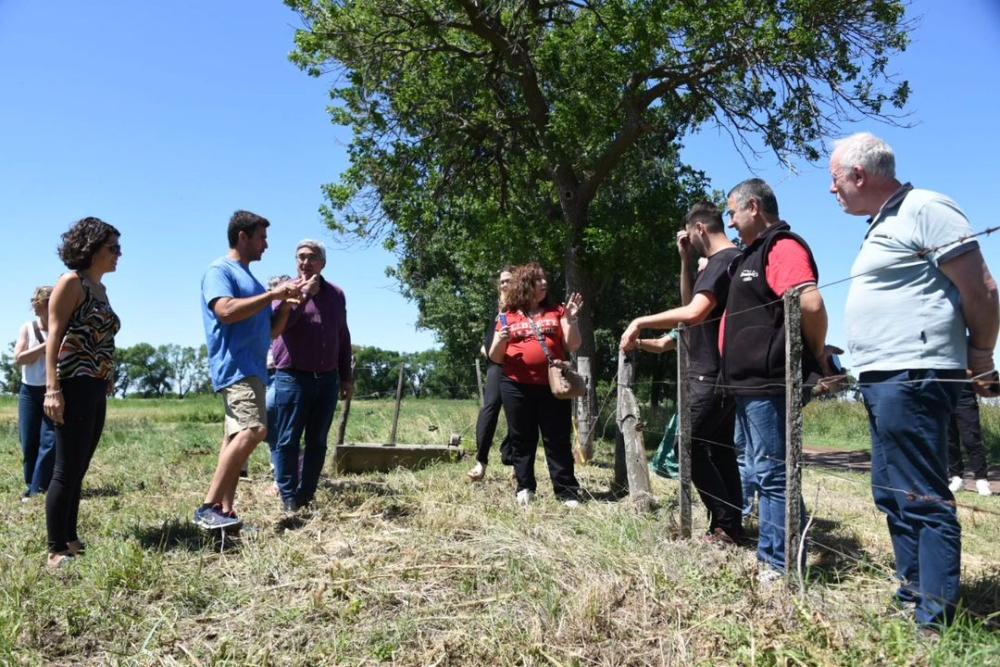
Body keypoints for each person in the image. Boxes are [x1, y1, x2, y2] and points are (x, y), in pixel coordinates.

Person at [831, 132, 999, 627]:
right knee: (891, 491)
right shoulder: (882, 223)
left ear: (859, 175)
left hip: (917, 372)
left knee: (922, 495)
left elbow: (982, 288)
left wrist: (980, 353)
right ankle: (912, 595)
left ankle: (935, 618)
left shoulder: (926, 207)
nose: (832, 190)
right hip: (886, 377)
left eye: (834, 179)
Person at [721, 178, 838, 579]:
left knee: (773, 472)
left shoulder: (781, 247)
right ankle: (774, 554)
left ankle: (781, 563)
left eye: (732, 212)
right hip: (747, 384)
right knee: (760, 467)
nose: (731, 223)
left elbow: (811, 301)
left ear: (753, 207)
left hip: (770, 382)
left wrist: (816, 354)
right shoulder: (748, 255)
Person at [621, 202, 743, 543]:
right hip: (720, 372)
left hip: (710, 372)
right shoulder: (727, 263)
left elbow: (692, 313)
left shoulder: (722, 262)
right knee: (719, 450)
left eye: (690, 234)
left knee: (686, 445)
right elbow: (691, 304)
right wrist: (685, 261)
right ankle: (731, 525)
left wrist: (639, 321)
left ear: (700, 229)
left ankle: (725, 522)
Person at [195, 210, 303, 531]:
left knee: (234, 439)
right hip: (237, 368)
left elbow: (269, 332)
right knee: (255, 431)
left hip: (253, 368)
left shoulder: (251, 279)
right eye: (262, 237)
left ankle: (225, 513)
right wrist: (271, 294)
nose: (266, 245)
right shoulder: (220, 270)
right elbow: (225, 311)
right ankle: (207, 507)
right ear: (243, 236)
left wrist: (283, 305)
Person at [42, 218, 121, 568]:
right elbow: (54, 338)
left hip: (95, 384)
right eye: (112, 248)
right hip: (72, 383)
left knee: (80, 466)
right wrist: (52, 389)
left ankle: (71, 538)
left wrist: (108, 374)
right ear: (91, 249)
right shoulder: (71, 282)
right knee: (65, 468)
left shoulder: (100, 289)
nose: (119, 255)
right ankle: (55, 549)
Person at [489, 263, 583, 506]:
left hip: (552, 385)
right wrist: (500, 339)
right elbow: (495, 357)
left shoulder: (557, 311)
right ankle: (525, 487)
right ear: (524, 285)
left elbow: (573, 345)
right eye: (536, 280)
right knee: (522, 438)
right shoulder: (507, 315)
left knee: (557, 438)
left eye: (544, 279)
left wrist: (571, 320)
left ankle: (566, 492)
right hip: (515, 385)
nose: (543, 283)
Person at [269, 240, 353, 512]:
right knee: (288, 439)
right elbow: (279, 326)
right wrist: (302, 295)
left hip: (326, 380)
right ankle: (289, 498)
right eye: (300, 258)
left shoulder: (336, 294)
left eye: (312, 257)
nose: (305, 263)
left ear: (323, 263)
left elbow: (342, 335)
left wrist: (346, 376)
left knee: (317, 441)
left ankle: (307, 494)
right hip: (292, 377)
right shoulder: (286, 291)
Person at [468, 267, 515, 481]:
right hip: (496, 364)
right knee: (489, 408)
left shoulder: (524, 307)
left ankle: (513, 458)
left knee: (518, 412)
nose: (504, 284)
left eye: (509, 281)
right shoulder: (497, 307)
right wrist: (484, 346)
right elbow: (491, 331)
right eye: (502, 281)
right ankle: (481, 460)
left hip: (516, 363)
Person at [15, 286, 57, 500]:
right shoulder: (28, 328)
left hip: (54, 390)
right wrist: (46, 346)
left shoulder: (63, 328)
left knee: (49, 441)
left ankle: (38, 489)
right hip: (29, 392)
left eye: (40, 305)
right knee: (29, 440)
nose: (36, 309)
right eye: (37, 305)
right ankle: (32, 484)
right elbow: (20, 358)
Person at [947, 383, 992, 497]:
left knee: (971, 440)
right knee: (949, 441)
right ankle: (956, 478)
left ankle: (981, 479)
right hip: (943, 396)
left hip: (964, 395)